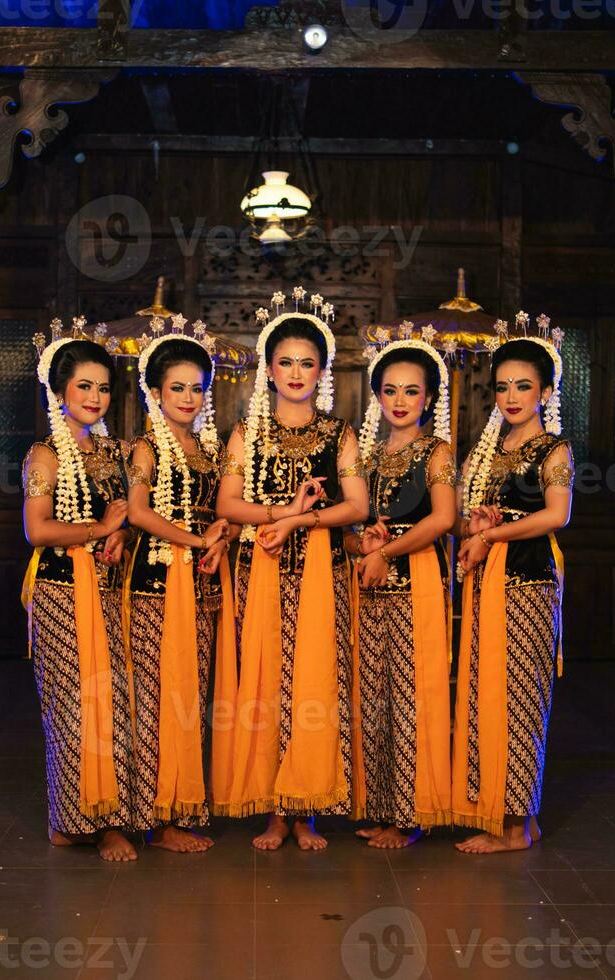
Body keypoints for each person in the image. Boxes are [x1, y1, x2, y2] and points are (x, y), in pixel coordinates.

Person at [215, 289, 368, 851]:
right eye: (286, 362)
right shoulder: (247, 434)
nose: (297, 372)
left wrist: (303, 523)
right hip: (264, 573)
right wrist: (283, 512)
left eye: (308, 362)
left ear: (322, 370)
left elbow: (358, 505)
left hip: (322, 574)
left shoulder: (339, 434)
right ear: (269, 370)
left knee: (315, 682)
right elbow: (227, 506)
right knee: (266, 684)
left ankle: (308, 808)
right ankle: (274, 809)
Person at [452, 320, 574, 853]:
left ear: (546, 391)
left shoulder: (554, 449)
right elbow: (460, 520)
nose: (510, 397)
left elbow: (556, 515)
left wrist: (494, 530)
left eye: (523, 386)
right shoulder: (489, 451)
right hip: (487, 581)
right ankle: (504, 813)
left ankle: (517, 826)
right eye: (501, 387)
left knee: (521, 698)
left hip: (528, 583)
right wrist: (477, 523)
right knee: (488, 696)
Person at [22, 322, 136, 862]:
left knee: (110, 705)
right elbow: (39, 531)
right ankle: (71, 822)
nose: (95, 397)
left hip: (111, 591)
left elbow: (123, 519)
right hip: (61, 593)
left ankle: (107, 818)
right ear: (60, 391)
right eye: (84, 386)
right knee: (71, 708)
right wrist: (100, 531)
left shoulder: (113, 451)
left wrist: (120, 536)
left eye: (103, 387)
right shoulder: (45, 455)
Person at [126, 319, 236, 854]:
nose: (189, 398)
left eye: (197, 388)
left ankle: (178, 805)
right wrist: (196, 542)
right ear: (154, 392)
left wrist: (222, 535)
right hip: (155, 583)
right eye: (178, 388)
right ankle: (154, 815)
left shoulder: (207, 450)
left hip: (204, 586)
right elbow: (139, 513)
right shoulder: (145, 448)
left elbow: (225, 513)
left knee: (190, 697)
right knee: (155, 698)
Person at [346, 330, 455, 848]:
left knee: (413, 696)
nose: (400, 401)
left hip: (418, 586)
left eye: (411, 392)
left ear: (429, 399)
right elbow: (350, 528)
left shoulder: (437, 452)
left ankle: (411, 814)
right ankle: (384, 807)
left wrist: (385, 552)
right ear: (377, 397)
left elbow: (444, 519)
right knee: (375, 697)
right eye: (390, 391)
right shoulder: (365, 458)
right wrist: (362, 545)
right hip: (367, 590)